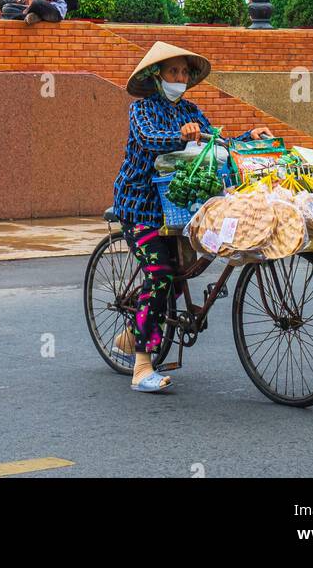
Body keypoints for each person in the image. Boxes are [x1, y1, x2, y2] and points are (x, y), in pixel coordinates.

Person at [112, 40, 274, 393]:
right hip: (142, 209)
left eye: (184, 72)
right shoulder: (141, 111)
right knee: (160, 274)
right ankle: (141, 366)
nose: (180, 77)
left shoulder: (191, 110)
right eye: (173, 71)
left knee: (182, 270)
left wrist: (247, 137)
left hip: (181, 206)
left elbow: (216, 140)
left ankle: (133, 331)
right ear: (157, 76)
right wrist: (180, 137)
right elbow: (151, 139)